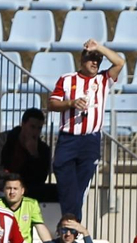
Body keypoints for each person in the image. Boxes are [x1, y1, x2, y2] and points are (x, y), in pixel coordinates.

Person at [47, 41, 126, 221]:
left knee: (80, 187)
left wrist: (99, 47)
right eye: (91, 58)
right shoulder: (67, 79)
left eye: (98, 59)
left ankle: (71, 224)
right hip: (69, 138)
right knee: (67, 183)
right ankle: (72, 224)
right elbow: (51, 103)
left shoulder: (103, 79)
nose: (95, 62)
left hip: (90, 140)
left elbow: (119, 62)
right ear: (82, 60)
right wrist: (71, 103)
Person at [0, 108, 54, 202]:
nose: (35, 132)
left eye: (39, 128)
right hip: (3, 184)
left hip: (28, 186)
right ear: (23, 124)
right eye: (32, 127)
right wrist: (12, 178)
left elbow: (41, 178)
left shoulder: (43, 149)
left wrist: (34, 155)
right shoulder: (3, 140)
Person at [0, 172, 49, 243]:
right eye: (8, 188)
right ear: (3, 190)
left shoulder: (31, 204)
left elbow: (40, 227)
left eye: (15, 189)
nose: (12, 192)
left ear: (22, 191)